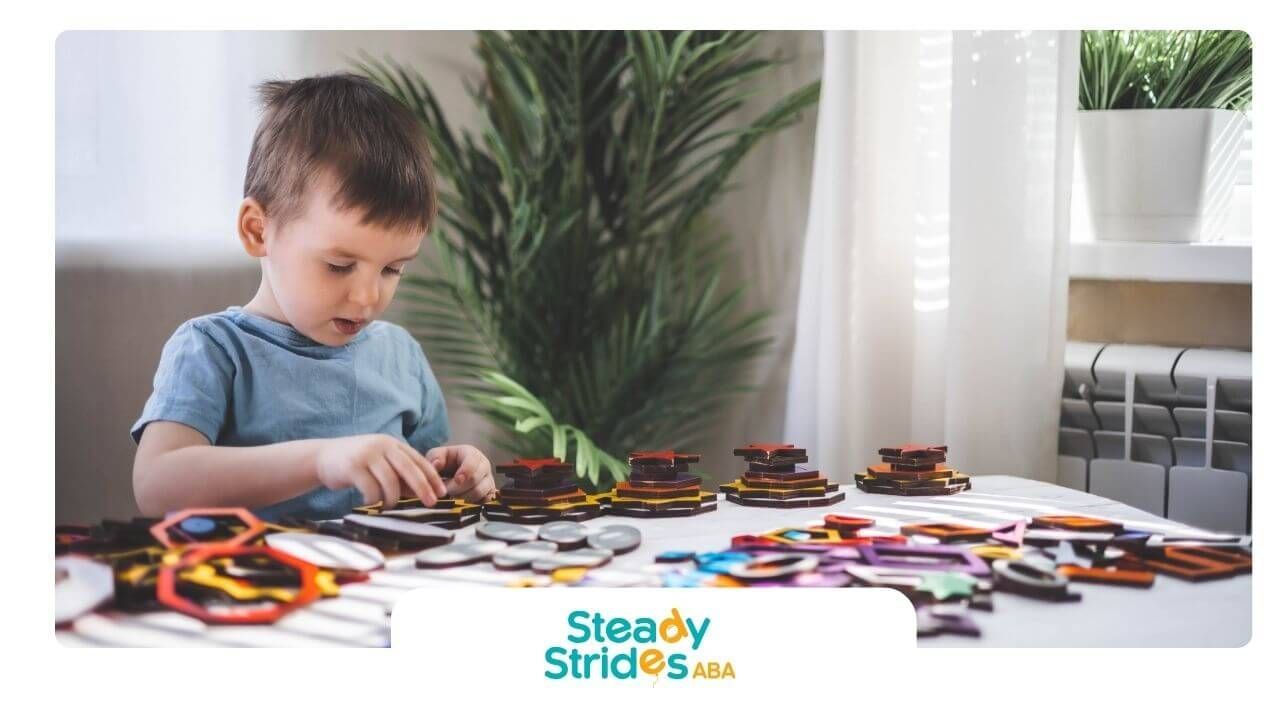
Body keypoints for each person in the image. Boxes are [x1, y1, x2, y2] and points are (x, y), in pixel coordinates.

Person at [130, 73, 495, 521]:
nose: (366, 296)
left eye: (392, 269)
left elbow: (426, 495)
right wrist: (322, 461)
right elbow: (156, 485)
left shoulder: (403, 359)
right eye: (339, 265)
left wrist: (458, 476)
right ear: (258, 230)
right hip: (254, 586)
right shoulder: (213, 351)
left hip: (378, 583)